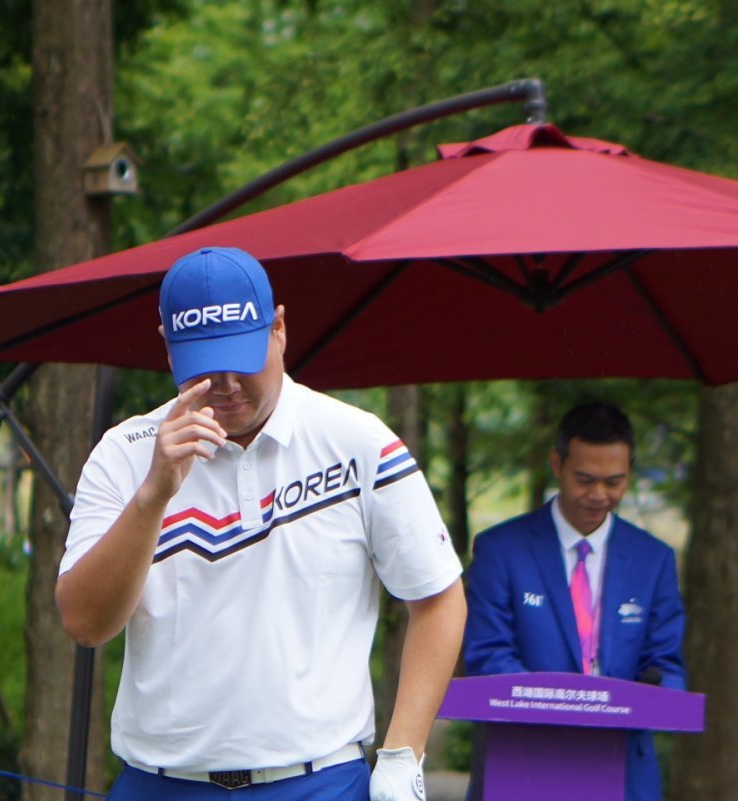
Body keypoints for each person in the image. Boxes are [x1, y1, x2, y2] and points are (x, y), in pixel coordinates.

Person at [56, 246, 466, 801]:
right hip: (161, 784)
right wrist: (154, 494)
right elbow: (85, 623)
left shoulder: (359, 442)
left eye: (240, 357)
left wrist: (402, 755)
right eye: (204, 363)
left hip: (320, 781)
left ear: (279, 328)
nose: (225, 384)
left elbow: (438, 596)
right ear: (167, 346)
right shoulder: (125, 452)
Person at [463, 401, 686, 801]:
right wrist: (569, 707)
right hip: (523, 762)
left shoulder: (654, 559)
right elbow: (487, 655)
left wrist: (649, 694)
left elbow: (667, 666)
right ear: (557, 464)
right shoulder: (501, 549)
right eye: (584, 479)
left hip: (623, 769)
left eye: (614, 482)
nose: (598, 495)